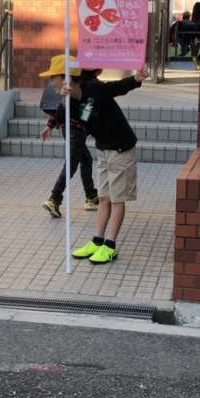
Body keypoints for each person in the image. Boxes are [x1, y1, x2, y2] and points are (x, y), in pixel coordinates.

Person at [70, 65, 149, 264]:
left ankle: (110, 246)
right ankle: (97, 241)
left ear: (72, 81)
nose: (53, 85)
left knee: (117, 199)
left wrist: (136, 79)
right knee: (104, 197)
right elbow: (78, 120)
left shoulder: (94, 89)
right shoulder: (74, 100)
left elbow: (115, 88)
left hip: (121, 148)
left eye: (56, 79)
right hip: (103, 149)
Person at [40, 55, 99, 218]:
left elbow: (83, 112)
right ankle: (54, 199)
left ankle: (91, 196)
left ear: (66, 77)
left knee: (86, 159)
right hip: (75, 132)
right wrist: (50, 125)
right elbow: (66, 110)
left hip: (74, 131)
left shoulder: (80, 89)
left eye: (54, 77)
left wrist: (51, 125)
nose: (52, 82)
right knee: (71, 165)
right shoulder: (70, 91)